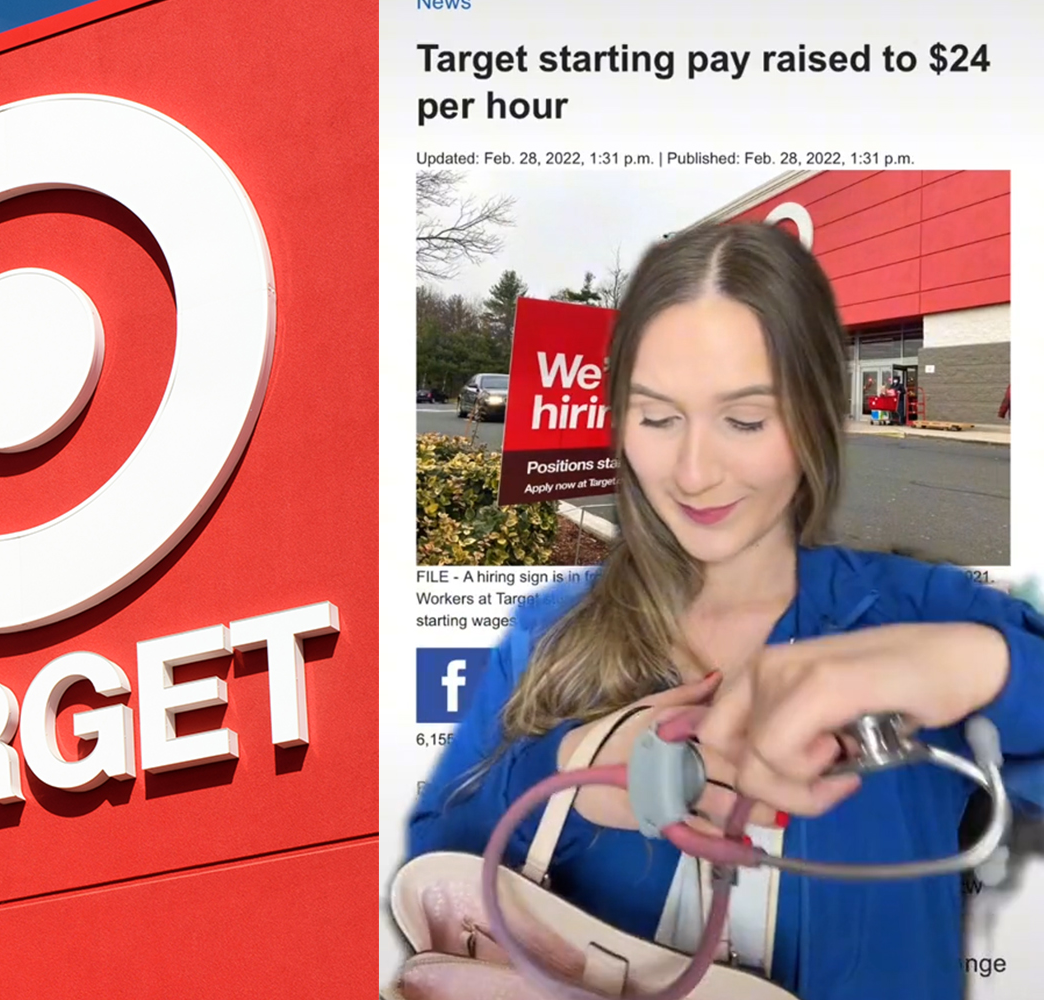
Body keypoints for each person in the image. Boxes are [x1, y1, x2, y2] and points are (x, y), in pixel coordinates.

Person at [405, 222, 1044, 1000]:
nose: (694, 471)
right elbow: (434, 864)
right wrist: (576, 765)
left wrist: (973, 663)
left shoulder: (920, 607)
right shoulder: (552, 629)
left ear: (814, 419)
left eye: (744, 420)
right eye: (656, 417)